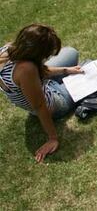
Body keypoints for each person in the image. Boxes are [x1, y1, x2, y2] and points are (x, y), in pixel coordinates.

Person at [0, 24, 83, 162]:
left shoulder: (8, 49)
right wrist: (52, 138)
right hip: (55, 102)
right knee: (86, 72)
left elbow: (41, 70)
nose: (48, 57)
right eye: (47, 55)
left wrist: (66, 70)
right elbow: (40, 106)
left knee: (71, 53)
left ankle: (66, 77)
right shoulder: (26, 69)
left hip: (40, 86)